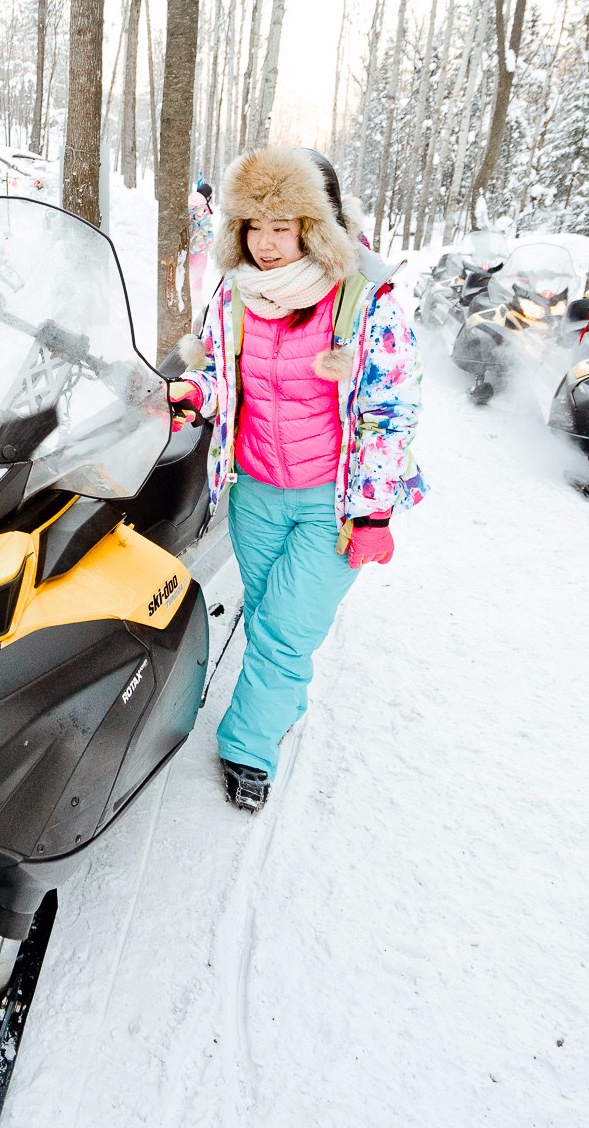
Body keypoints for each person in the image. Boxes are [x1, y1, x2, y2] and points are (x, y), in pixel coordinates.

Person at [169, 146, 425, 812]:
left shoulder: (366, 298)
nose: (267, 243)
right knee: (270, 622)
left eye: (283, 226)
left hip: (331, 504)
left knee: (285, 628)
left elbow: (389, 411)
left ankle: (250, 745)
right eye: (254, 226)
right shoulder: (235, 291)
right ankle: (279, 694)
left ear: (317, 225)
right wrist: (194, 392)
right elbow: (220, 371)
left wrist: (372, 512)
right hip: (255, 493)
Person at [187, 178, 216, 321]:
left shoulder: (189, 203)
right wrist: (212, 247)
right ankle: (196, 301)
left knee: (188, 274)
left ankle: (186, 297)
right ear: (208, 196)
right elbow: (207, 230)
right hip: (199, 249)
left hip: (187, 248)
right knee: (197, 276)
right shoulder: (202, 209)